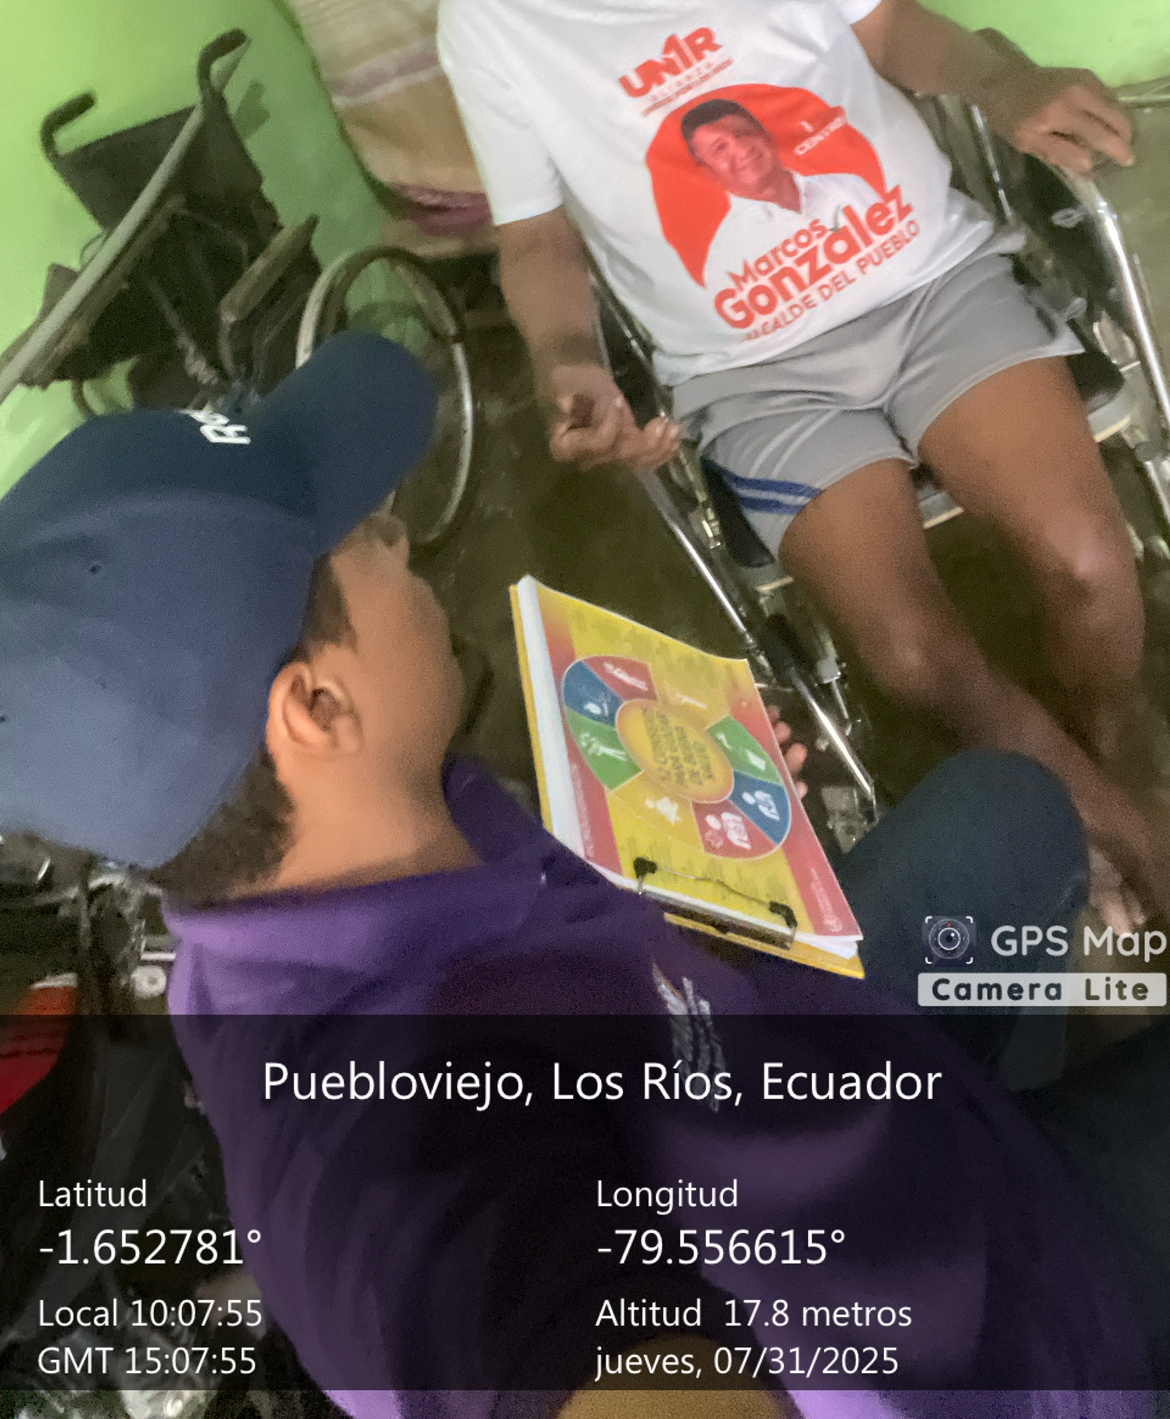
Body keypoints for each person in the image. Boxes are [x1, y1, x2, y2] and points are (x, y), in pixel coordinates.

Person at [1, 332, 1166, 1415]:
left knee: (1010, 811)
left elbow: (591, 983)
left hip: (838, 1108)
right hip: (999, 1339)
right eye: (361, 533)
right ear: (315, 707)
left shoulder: (365, 832)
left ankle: (1026, 1074)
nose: (399, 533)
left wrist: (707, 861)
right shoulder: (400, 1153)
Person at [403, 0, 1169, 923]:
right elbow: (536, 240)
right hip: (754, 373)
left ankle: (1111, 749)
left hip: (926, 280)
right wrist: (568, 362)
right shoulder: (489, 22)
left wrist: (1000, 79)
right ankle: (1129, 832)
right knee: (911, 651)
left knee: (1089, 560)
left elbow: (893, 30)